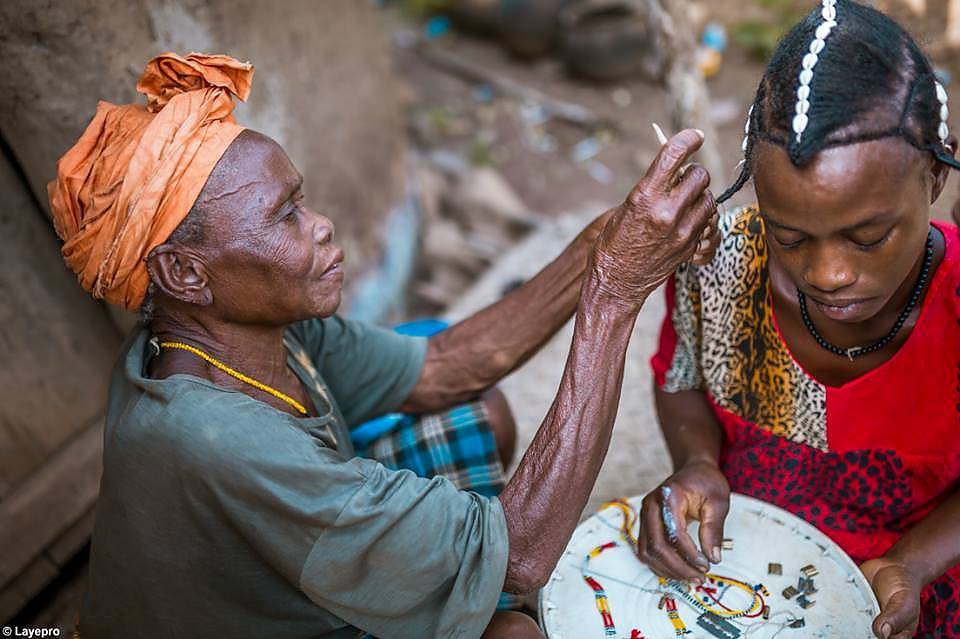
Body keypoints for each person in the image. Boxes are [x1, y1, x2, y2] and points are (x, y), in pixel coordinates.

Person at [48, 52, 719, 638]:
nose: (320, 227)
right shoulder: (216, 440)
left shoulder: (236, 327)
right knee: (513, 629)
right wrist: (615, 288)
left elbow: (447, 367)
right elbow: (521, 556)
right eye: (285, 217)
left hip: (290, 566)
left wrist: (606, 239)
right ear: (186, 274)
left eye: (301, 202)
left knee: (479, 414)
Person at [643, 2, 960, 638]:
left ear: (933, 174)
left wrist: (912, 563)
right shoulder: (722, 263)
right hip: (746, 555)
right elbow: (679, 381)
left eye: (867, 237)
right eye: (789, 236)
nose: (828, 273)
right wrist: (698, 463)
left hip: (915, 568)